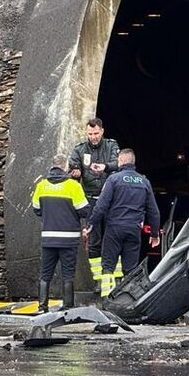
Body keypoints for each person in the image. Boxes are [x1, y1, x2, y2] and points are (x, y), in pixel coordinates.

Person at [83, 148, 161, 297]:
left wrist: (91, 225)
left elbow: (101, 206)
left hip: (114, 229)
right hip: (134, 230)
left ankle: (106, 301)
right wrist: (155, 234)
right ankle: (127, 302)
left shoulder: (113, 179)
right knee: (130, 269)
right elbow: (154, 211)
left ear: (121, 161)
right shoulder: (144, 182)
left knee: (107, 266)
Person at [32, 154, 89, 312]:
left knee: (45, 274)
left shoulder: (42, 185)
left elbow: (36, 209)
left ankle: (42, 306)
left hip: (49, 238)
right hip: (69, 239)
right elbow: (84, 210)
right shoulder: (73, 186)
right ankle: (67, 307)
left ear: (53, 166)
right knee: (68, 274)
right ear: (66, 167)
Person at [68, 118, 120, 286]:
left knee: (113, 239)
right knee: (94, 241)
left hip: (110, 200)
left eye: (96, 133)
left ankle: (115, 278)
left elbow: (117, 163)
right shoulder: (80, 149)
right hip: (90, 200)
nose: (93, 137)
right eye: (90, 134)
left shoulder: (111, 145)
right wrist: (75, 172)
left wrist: (105, 166)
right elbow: (73, 165)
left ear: (102, 131)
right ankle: (99, 281)